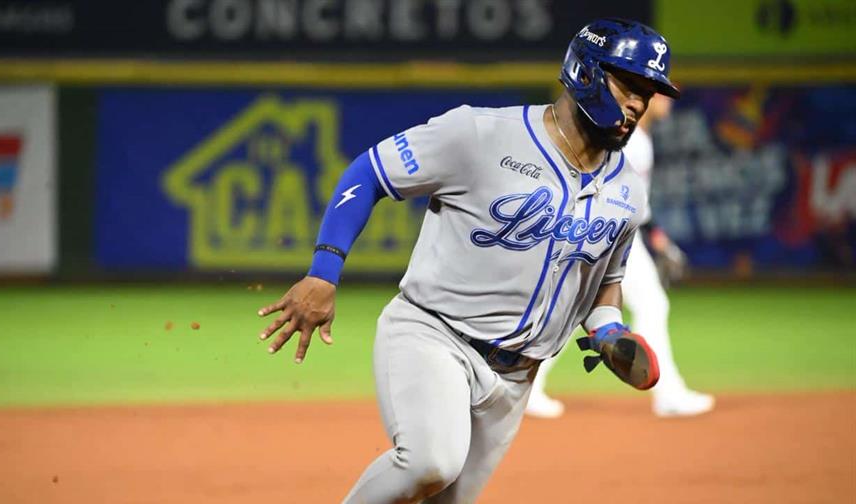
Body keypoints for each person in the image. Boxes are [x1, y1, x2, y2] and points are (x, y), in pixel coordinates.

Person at [258, 18, 679, 503]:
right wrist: (324, 271)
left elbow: (604, 284)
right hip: (434, 335)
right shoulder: (479, 134)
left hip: (516, 378)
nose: (639, 103)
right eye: (629, 84)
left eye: (648, 92)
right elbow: (368, 172)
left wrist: (608, 331)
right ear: (585, 72)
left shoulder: (628, 190)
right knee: (429, 462)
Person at [524, 94, 716, 419]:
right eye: (660, 92)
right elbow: (605, 188)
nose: (668, 99)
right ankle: (669, 394)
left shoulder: (637, 137)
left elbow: (636, 202)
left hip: (612, 231)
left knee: (582, 309)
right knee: (647, 305)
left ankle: (528, 385)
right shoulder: (630, 139)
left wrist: (656, 236)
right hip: (609, 233)